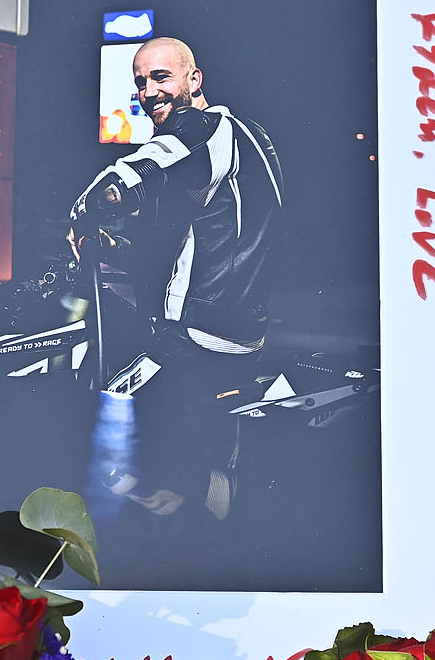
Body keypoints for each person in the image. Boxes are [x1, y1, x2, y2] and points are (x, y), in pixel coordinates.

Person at [66, 36, 285, 527]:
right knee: (205, 445)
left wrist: (83, 212)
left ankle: (158, 527)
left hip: (195, 328)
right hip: (245, 328)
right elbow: (217, 229)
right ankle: (214, 507)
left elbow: (123, 180)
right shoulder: (253, 135)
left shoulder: (205, 129)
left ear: (194, 79)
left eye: (160, 77)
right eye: (140, 82)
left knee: (107, 420)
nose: (148, 91)